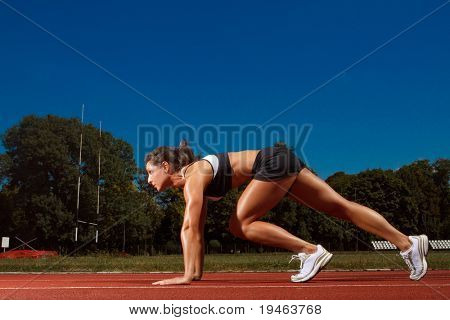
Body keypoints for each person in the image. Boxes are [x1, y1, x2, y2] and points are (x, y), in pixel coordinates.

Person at [146, 140, 428, 285]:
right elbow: (197, 229)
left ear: (167, 168)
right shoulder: (195, 182)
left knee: (239, 224)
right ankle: (408, 243)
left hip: (272, 162)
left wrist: (184, 277)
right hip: (282, 158)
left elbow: (188, 227)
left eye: (150, 172)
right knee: (340, 207)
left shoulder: (194, 175)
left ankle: (309, 251)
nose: (148, 179)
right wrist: (194, 274)